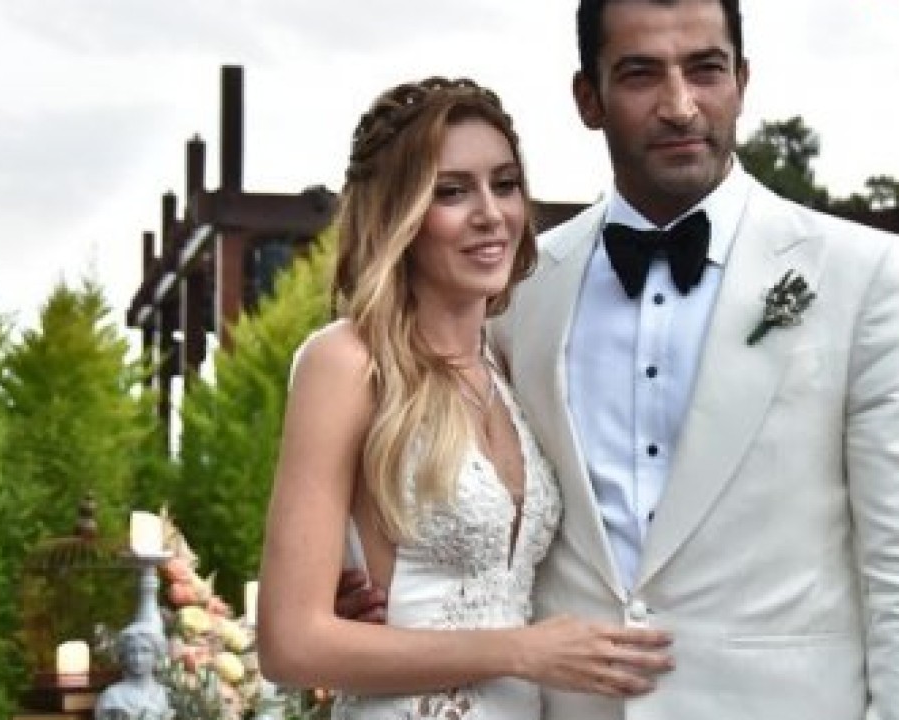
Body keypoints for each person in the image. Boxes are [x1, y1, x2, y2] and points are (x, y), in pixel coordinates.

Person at [342, 1, 899, 717]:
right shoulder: (515, 290)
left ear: (742, 80)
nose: (679, 106)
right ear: (589, 98)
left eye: (705, 70)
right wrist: (375, 594)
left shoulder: (865, 276)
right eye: (641, 75)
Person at [256, 77, 673, 720]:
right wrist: (522, 651)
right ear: (398, 212)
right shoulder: (345, 362)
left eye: (504, 184)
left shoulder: (507, 363)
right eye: (451, 191)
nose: (490, 213)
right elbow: (290, 643)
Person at [93, 623, 173, 720]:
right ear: (124, 656)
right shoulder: (112, 697)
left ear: (156, 655)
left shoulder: (167, 695)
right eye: (132, 651)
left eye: (145, 650)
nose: (138, 658)